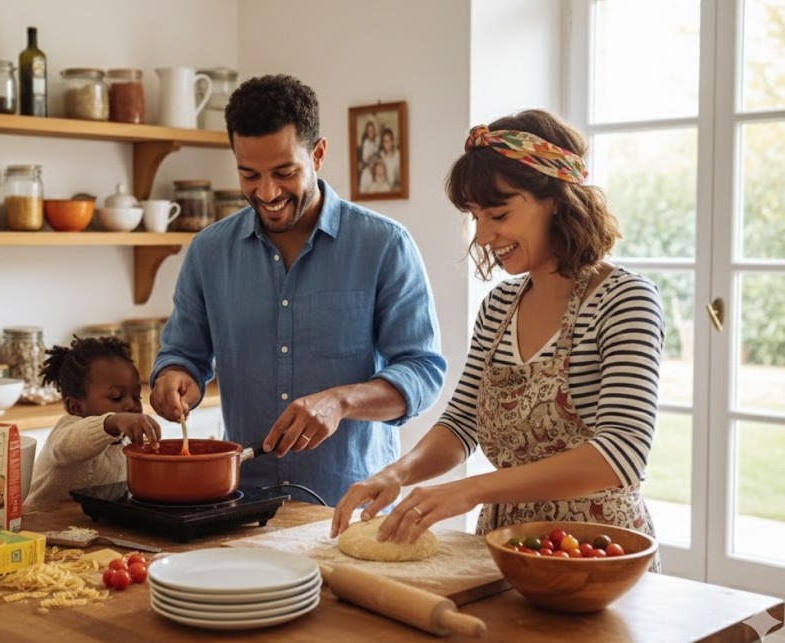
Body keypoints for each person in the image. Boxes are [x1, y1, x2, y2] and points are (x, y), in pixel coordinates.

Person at [331, 109, 664, 570]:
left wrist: (472, 490)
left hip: (598, 556)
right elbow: (462, 424)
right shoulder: (499, 308)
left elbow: (621, 453)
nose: (484, 236)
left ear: (556, 199)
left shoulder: (624, 300)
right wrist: (396, 473)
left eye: (499, 214)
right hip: (505, 549)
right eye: (475, 217)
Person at [149, 74, 446, 507]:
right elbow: (183, 354)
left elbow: (422, 372)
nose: (267, 192)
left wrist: (341, 401)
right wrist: (174, 378)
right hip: (241, 506)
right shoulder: (208, 252)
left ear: (318, 154)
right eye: (249, 175)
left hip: (351, 508)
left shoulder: (385, 245)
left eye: (284, 173)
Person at [24, 336, 162, 511]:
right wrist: (113, 421)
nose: (131, 405)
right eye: (116, 397)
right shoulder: (66, 430)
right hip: (39, 521)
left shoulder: (126, 444)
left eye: (136, 397)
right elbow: (68, 446)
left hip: (86, 522)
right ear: (75, 407)